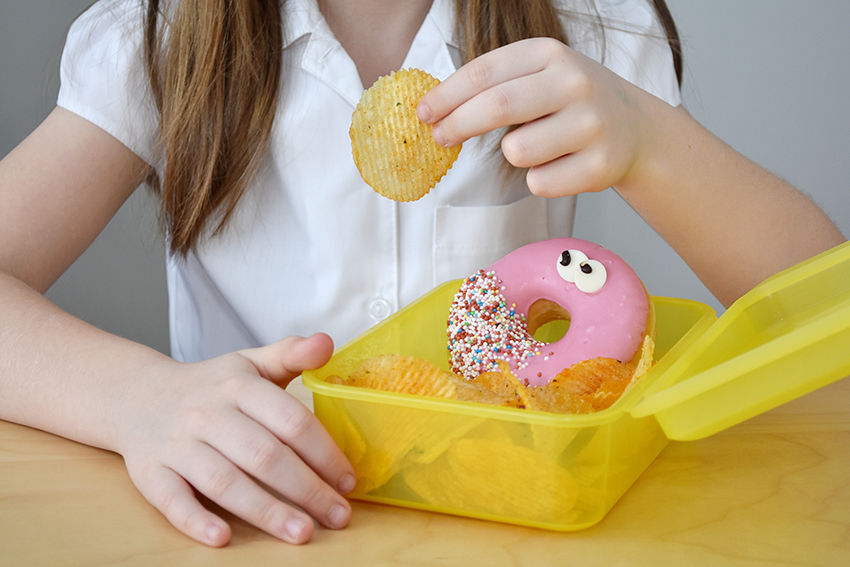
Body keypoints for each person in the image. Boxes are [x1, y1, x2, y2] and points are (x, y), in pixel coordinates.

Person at [0, 0, 843, 549]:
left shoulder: (592, 23)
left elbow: (821, 301)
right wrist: (135, 398)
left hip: (519, 527)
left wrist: (650, 145)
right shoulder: (162, 34)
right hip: (259, 522)